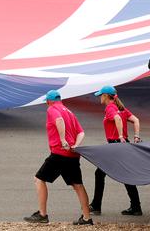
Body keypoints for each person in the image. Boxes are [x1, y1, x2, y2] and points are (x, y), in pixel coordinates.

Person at [25, 90, 93, 225]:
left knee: (39, 179)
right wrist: (75, 145)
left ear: (49, 100)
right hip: (73, 154)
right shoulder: (69, 111)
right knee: (78, 185)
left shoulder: (52, 109)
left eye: (46, 101)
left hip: (59, 153)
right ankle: (86, 218)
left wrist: (62, 140)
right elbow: (81, 132)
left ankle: (42, 215)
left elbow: (59, 120)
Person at [88, 86, 142, 217]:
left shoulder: (110, 108)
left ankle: (96, 206)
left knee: (101, 174)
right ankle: (136, 207)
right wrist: (136, 136)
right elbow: (136, 120)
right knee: (118, 175)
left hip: (115, 145)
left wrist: (120, 136)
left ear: (106, 96)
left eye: (101, 95)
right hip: (123, 145)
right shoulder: (121, 108)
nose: (100, 97)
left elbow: (117, 119)